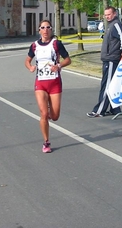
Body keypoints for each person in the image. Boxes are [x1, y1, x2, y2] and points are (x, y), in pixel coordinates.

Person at [25, 20, 71, 153]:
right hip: (40, 83)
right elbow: (27, 61)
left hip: (55, 83)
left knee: (55, 116)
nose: (45, 30)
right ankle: (46, 142)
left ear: (51, 29)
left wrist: (59, 66)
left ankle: (50, 107)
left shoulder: (56, 44)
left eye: (48, 27)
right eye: (43, 28)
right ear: (39, 30)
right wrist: (30, 67)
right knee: (44, 114)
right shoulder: (34, 46)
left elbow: (68, 59)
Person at [87, 6, 122, 118]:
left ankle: (99, 111)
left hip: (111, 59)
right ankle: (115, 109)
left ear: (114, 14)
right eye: (105, 15)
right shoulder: (110, 25)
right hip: (108, 59)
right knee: (111, 84)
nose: (107, 17)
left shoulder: (115, 24)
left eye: (109, 14)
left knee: (106, 85)